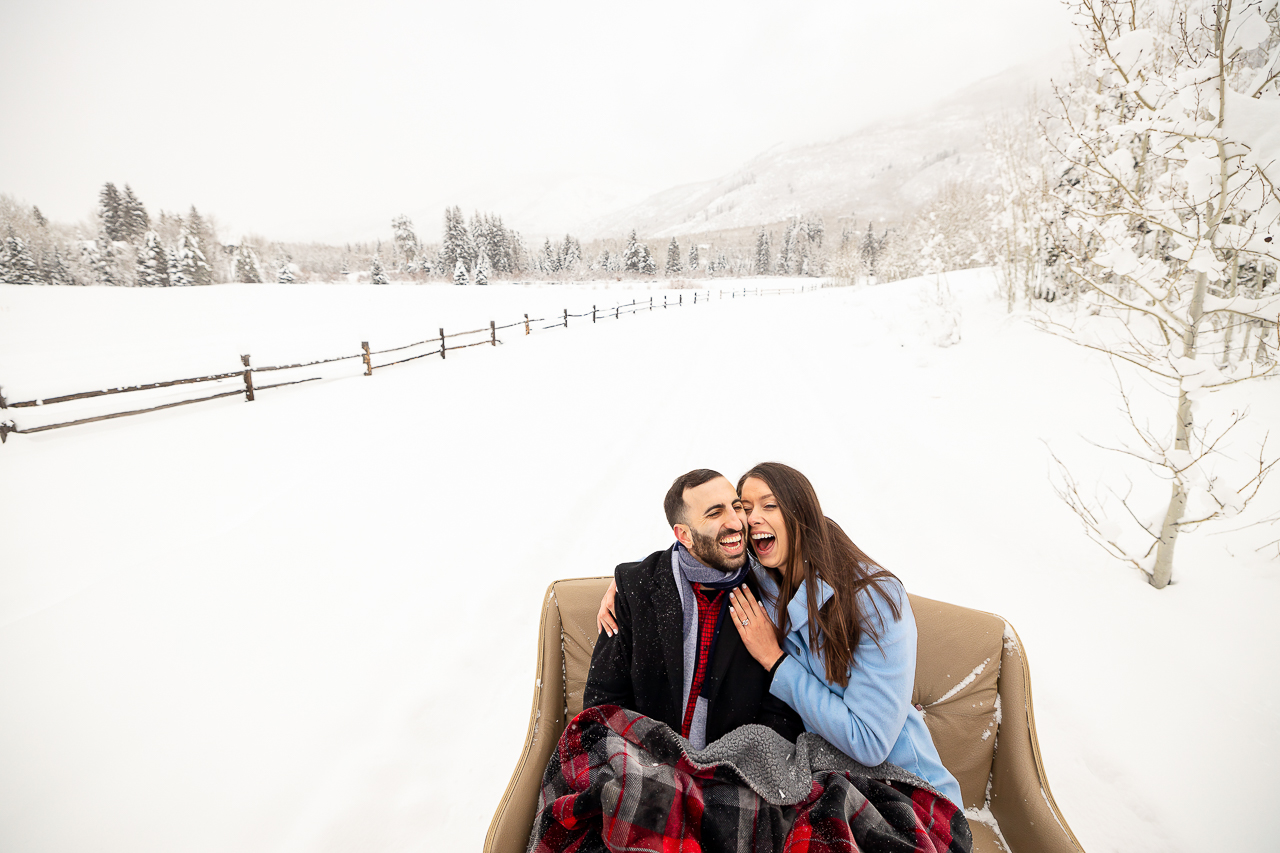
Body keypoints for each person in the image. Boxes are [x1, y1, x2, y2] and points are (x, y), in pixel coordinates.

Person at [598, 461, 962, 804]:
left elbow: (870, 743)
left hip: (903, 783)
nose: (749, 518)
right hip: (818, 777)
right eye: (746, 506)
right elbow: (701, 546)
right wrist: (627, 584)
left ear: (799, 514)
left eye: (768, 506)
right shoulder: (760, 581)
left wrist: (774, 659)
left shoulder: (873, 599)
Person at [582, 468, 803, 748]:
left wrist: (730, 768)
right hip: (647, 760)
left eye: (737, 507)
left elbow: (782, 714)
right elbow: (603, 704)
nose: (736, 522)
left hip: (734, 767)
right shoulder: (637, 588)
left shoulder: (768, 589)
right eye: (715, 513)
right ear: (683, 535)